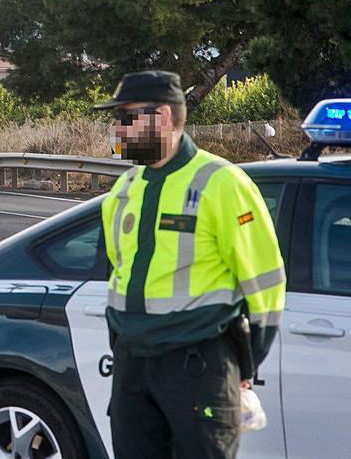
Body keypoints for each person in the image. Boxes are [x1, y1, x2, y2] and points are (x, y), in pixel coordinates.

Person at [96, 70, 286, 459]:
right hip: (133, 365)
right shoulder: (123, 189)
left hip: (199, 365)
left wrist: (244, 363)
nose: (117, 129)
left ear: (163, 117)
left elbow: (265, 281)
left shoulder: (222, 182)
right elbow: (119, 270)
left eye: (125, 118)